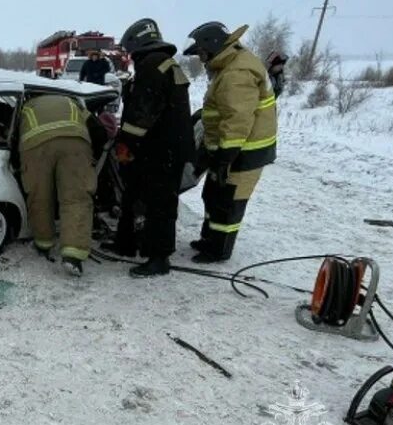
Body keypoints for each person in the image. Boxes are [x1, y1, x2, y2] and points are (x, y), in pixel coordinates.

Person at [107, 18, 195, 278]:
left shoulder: (153, 65)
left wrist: (125, 144)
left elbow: (141, 115)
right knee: (134, 195)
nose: (131, 58)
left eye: (130, 53)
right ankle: (127, 243)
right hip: (158, 149)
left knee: (160, 205)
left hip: (162, 152)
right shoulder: (162, 62)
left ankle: (159, 258)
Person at [183, 22, 277, 262]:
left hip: (243, 151)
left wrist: (225, 157)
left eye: (202, 53)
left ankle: (218, 250)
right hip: (234, 148)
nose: (202, 59)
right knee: (213, 194)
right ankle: (208, 239)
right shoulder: (231, 64)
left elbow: (237, 119)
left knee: (228, 200)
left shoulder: (236, 73)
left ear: (214, 46)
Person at [18, 93, 108, 277]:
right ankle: (73, 255)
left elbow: (12, 139)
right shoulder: (72, 102)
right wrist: (92, 155)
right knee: (76, 199)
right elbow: (99, 131)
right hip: (75, 144)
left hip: (36, 145)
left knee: (40, 196)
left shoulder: (25, 107)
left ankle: (43, 243)